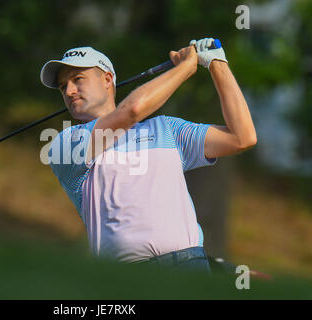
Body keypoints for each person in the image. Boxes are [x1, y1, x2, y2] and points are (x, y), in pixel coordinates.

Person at [40, 38, 257, 274]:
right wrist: (186, 68)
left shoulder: (167, 129)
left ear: (107, 80)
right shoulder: (65, 144)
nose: (69, 91)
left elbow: (242, 137)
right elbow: (132, 111)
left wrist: (217, 63)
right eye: (63, 87)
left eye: (77, 80)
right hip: (125, 277)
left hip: (189, 266)